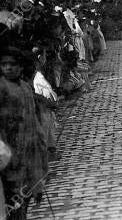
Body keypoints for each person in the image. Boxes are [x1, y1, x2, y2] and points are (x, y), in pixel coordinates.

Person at [0, 46, 48, 220]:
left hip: (29, 154)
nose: (8, 68)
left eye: (12, 64)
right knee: (12, 206)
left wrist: (42, 151)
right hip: (8, 157)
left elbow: (35, 122)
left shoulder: (26, 88)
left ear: (20, 66)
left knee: (24, 203)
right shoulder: (2, 89)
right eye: (4, 64)